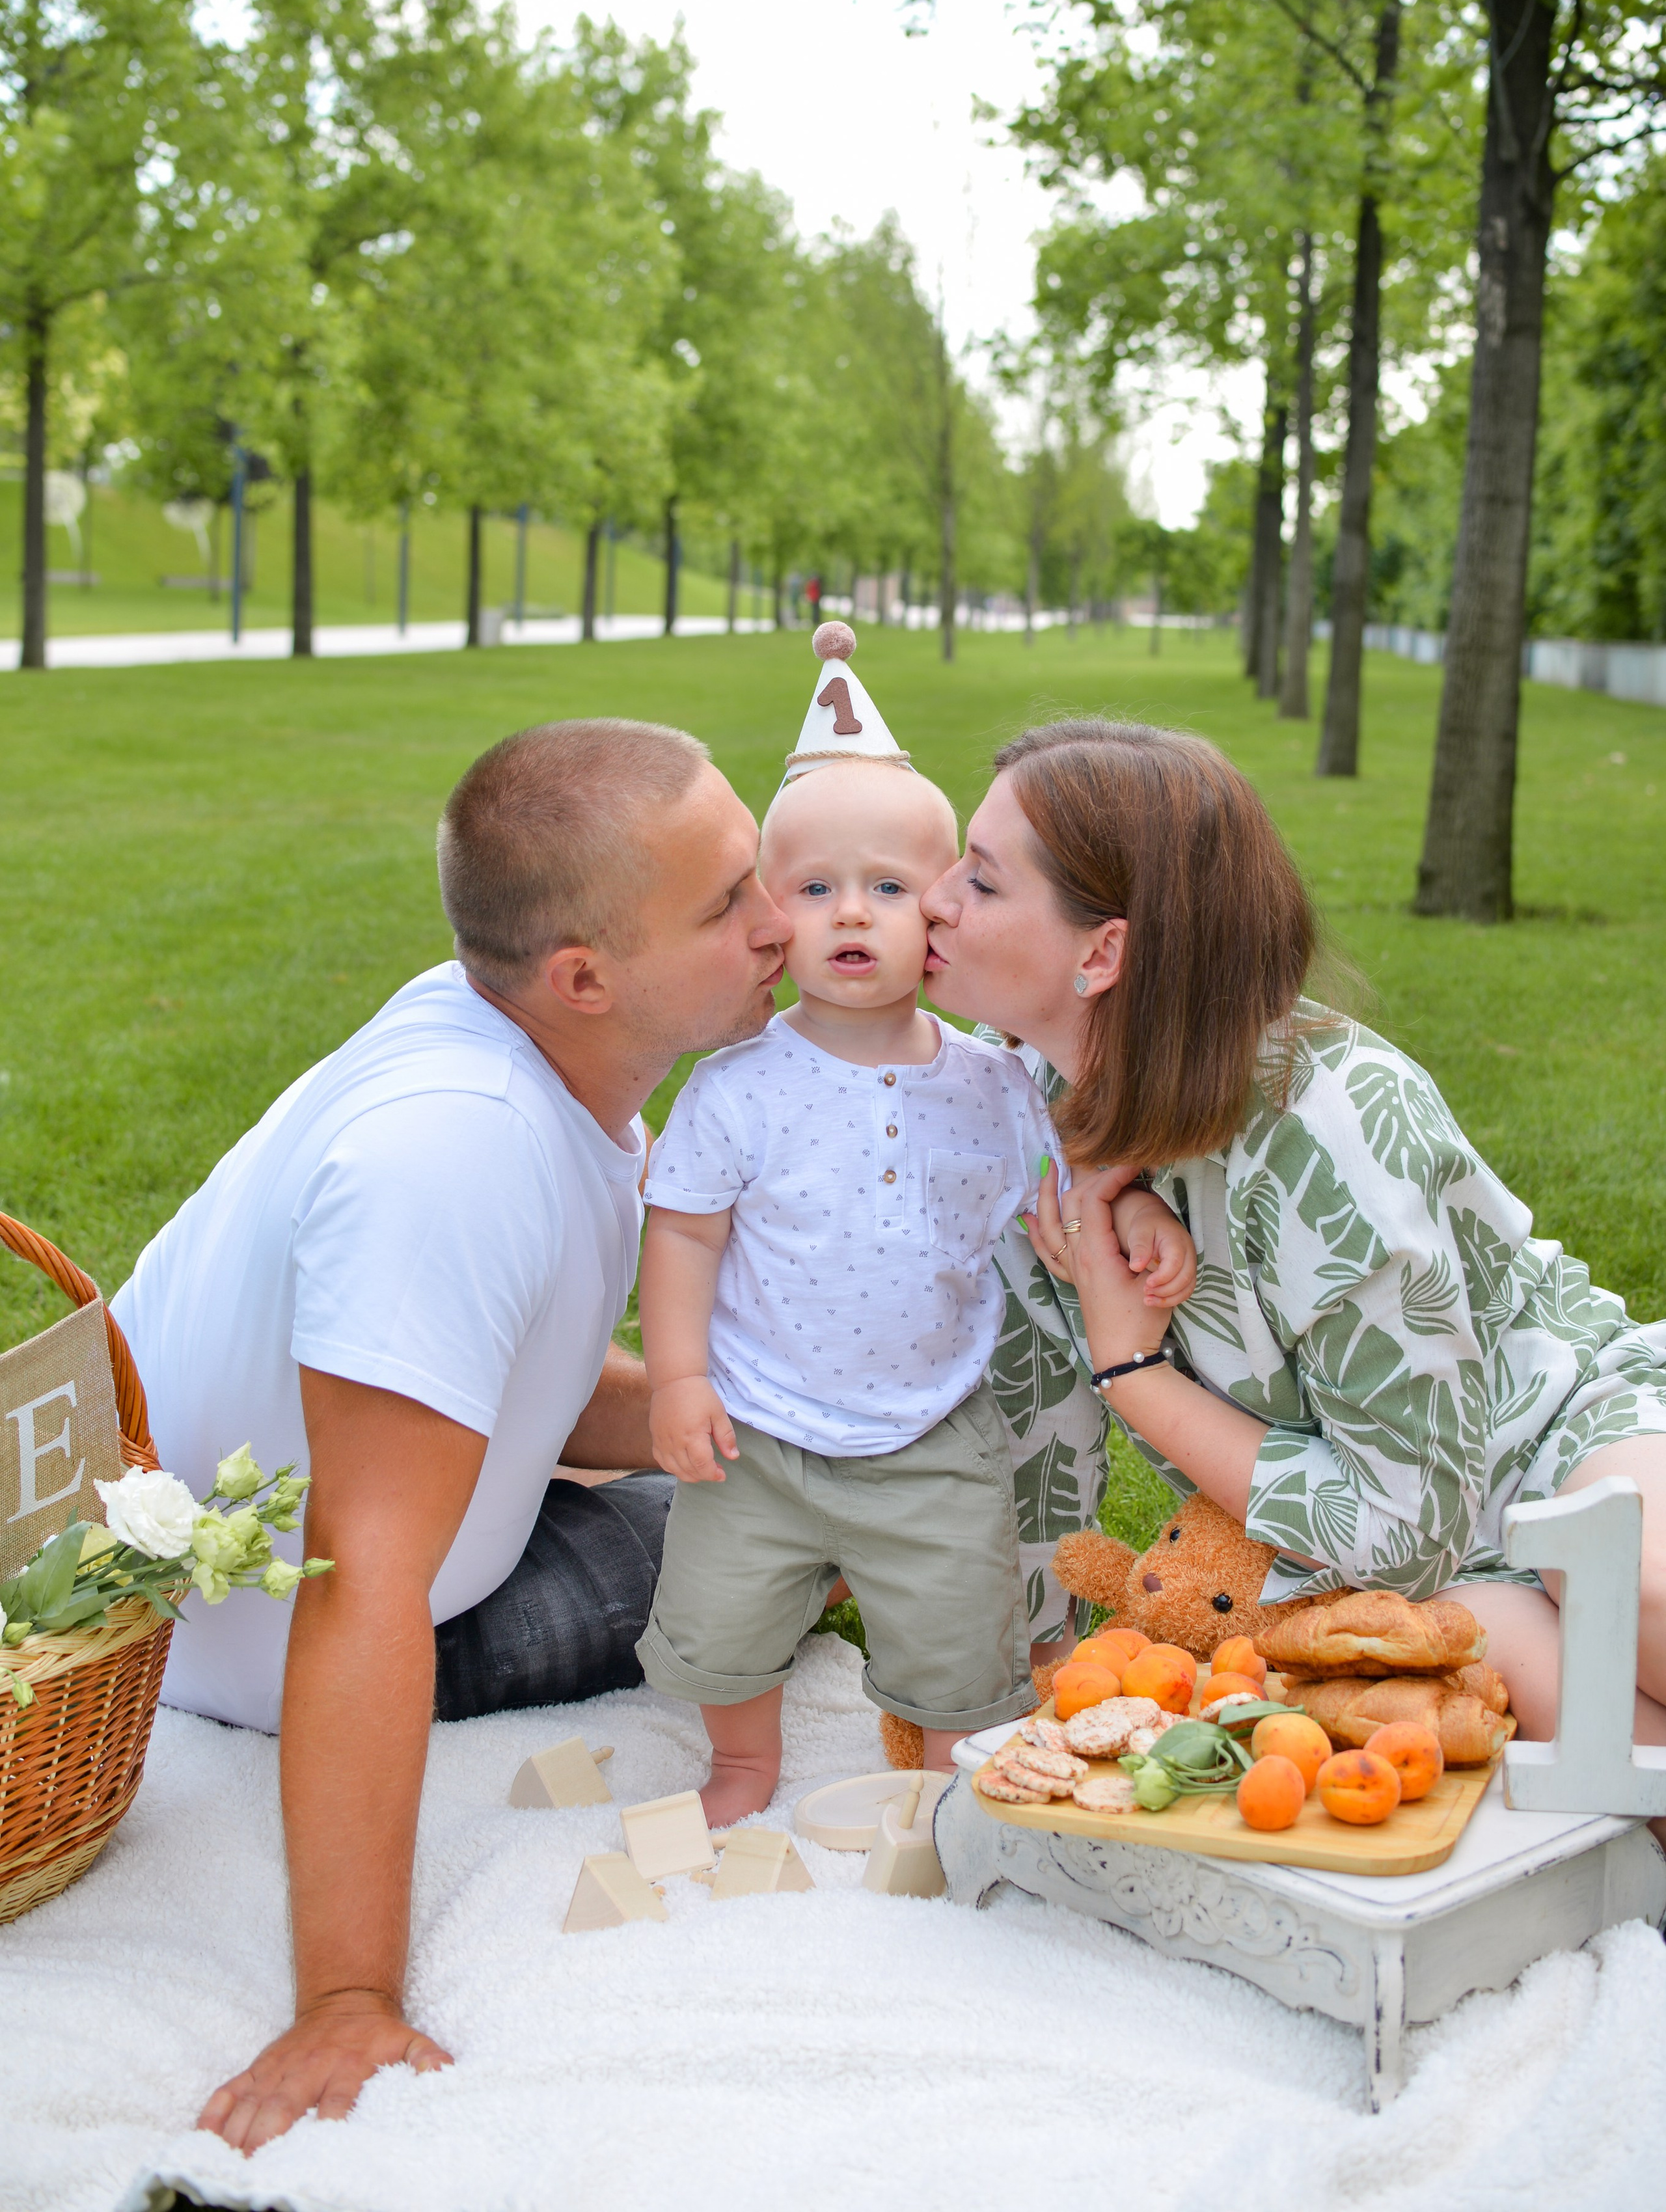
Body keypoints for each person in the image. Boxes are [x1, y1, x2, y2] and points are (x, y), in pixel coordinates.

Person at [111, 717, 791, 2152]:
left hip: (332, 1544)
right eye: (730, 901)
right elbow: (359, 1574)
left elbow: (522, 1383)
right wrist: (346, 1994)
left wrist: (763, 1420)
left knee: (802, 1495)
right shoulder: (456, 1150)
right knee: (763, 1558)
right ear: (582, 975)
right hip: (264, 1645)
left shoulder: (517, 1040)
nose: (782, 922)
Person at [921, 715, 1666, 1764]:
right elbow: (1032, 1436)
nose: (933, 899)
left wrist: (1133, 1369)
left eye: (982, 881)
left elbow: (1410, 1524)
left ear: (1103, 953)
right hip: (1366, 1549)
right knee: (1553, 1698)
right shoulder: (1025, 1103)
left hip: (1547, 1434)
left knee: (1634, 1586)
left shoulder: (1335, 1131)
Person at [635, 633, 1194, 1823]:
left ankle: (946, 1785)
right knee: (720, 1613)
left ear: (940, 908)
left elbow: (1080, 1162)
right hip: (761, 1428)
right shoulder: (739, 1085)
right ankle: (741, 1763)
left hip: (936, 1427)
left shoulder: (993, 1082)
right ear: (767, 914)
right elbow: (684, 1234)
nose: (853, 914)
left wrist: (1130, 1202)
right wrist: (679, 1378)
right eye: (815, 888)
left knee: (958, 1632)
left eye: (889, 888)